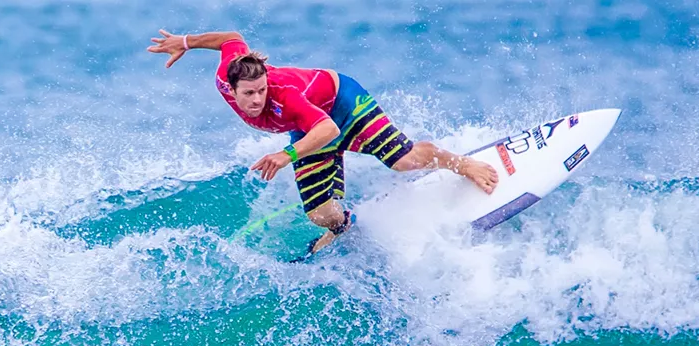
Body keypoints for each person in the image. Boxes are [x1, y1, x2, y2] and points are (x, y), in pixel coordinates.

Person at [147, 29, 499, 257]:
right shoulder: (227, 75)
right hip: (309, 126)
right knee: (321, 216)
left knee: (403, 162)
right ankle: (348, 223)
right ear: (232, 88)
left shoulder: (285, 96)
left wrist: (286, 155)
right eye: (249, 94)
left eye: (262, 90)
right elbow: (230, 39)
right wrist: (188, 42)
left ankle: (457, 162)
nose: (257, 99)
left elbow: (328, 129)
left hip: (342, 105)